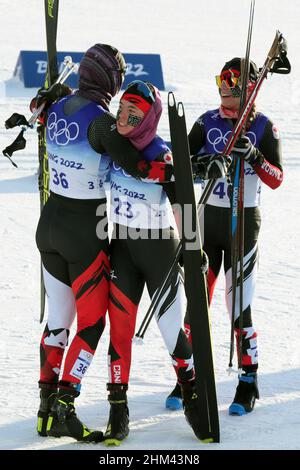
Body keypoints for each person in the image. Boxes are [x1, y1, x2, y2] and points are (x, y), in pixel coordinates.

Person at [34, 44, 174, 443]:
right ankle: (64, 405)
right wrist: (175, 168)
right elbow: (135, 164)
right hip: (85, 231)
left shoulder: (56, 108)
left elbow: (38, 107)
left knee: (58, 321)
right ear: (110, 80)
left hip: (49, 223)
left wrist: (48, 97)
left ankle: (44, 410)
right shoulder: (103, 124)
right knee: (92, 323)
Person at [102, 80, 230, 445]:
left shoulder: (163, 154)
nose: (125, 117)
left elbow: (183, 205)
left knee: (173, 332)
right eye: (122, 108)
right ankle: (118, 407)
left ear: (148, 119)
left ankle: (192, 398)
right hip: (123, 249)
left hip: (159, 250)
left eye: (134, 113)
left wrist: (195, 249)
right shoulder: (113, 142)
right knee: (120, 331)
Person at [167, 57, 283, 415]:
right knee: (195, 306)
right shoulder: (206, 122)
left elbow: (276, 178)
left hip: (242, 225)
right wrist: (205, 165)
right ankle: (187, 378)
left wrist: (254, 155)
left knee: (239, 310)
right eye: (221, 77)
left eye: (232, 79)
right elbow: (178, 165)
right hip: (207, 223)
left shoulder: (262, 126)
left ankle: (248, 380)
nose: (224, 85)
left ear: (250, 85)